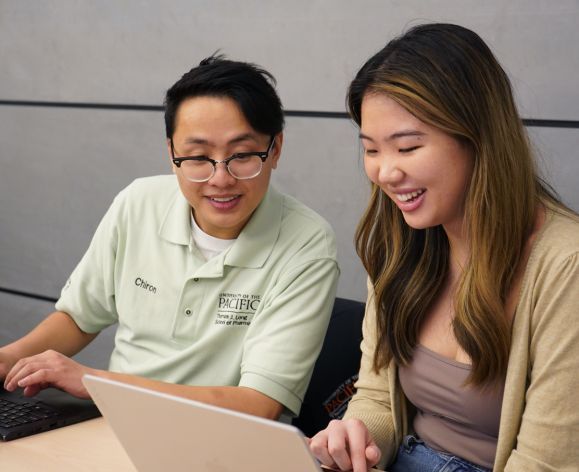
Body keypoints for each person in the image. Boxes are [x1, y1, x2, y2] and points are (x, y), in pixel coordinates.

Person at [0, 55, 339, 420]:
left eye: (242, 155)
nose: (220, 179)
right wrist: (8, 358)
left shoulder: (308, 244)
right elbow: (79, 317)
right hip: (112, 424)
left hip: (224, 442)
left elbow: (258, 404)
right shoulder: (138, 203)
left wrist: (98, 383)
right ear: (171, 153)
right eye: (197, 156)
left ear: (275, 149)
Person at [309, 23, 579, 471]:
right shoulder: (402, 243)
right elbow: (376, 396)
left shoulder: (565, 267)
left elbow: (546, 462)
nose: (385, 173)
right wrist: (355, 439)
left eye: (408, 147)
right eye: (371, 149)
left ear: (478, 138)